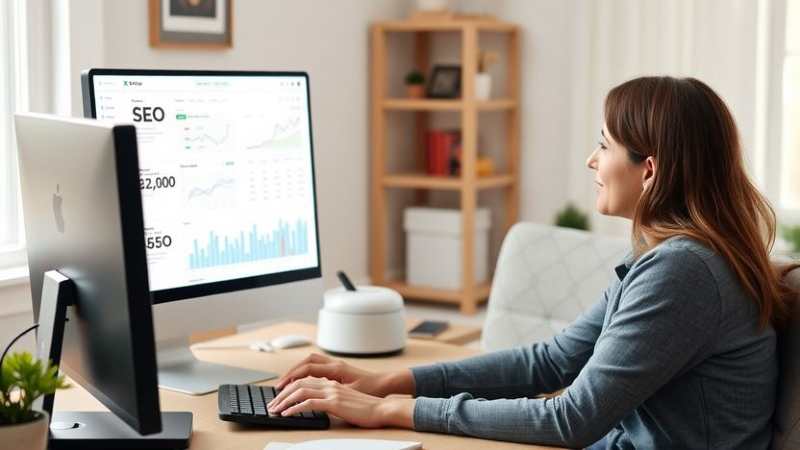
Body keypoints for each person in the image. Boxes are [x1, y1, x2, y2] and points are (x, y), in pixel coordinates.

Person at [266, 76, 798, 449]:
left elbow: (572, 418)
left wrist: (388, 411)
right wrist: (387, 382)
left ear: (649, 170)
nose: (592, 160)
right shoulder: (679, 257)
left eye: (604, 145)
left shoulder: (684, 273)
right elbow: (551, 361)